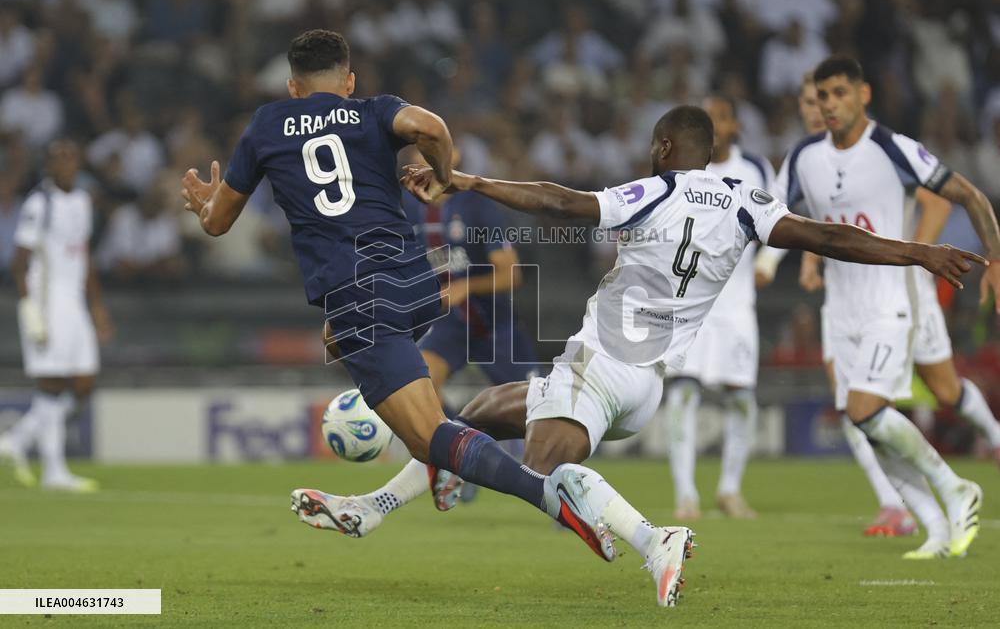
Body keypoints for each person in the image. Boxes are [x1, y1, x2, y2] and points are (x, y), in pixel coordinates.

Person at [296, 104, 982, 607]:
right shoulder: (748, 201)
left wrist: (469, 183)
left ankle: (656, 539)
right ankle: (375, 507)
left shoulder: (653, 191)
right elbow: (831, 239)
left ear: (661, 147)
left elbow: (560, 202)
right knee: (479, 413)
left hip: (602, 364)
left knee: (543, 474)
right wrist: (919, 251)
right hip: (646, 382)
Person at [179, 29, 670, 593]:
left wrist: (204, 204)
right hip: (414, 279)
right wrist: (442, 173)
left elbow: (218, 223)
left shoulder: (267, 124)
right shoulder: (373, 111)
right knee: (356, 351)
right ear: (349, 80)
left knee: (429, 437)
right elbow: (430, 128)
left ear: (293, 87)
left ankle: (553, 496)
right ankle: (413, 473)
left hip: (357, 291)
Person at [772, 56, 1000, 559]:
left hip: (889, 304)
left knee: (866, 409)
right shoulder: (803, 157)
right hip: (843, 309)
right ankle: (938, 529)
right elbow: (771, 219)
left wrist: (996, 259)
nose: (830, 104)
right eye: (822, 95)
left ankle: (956, 485)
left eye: (839, 93)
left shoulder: (892, 149)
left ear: (863, 95)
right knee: (867, 425)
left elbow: (968, 194)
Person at [401, 149, 540, 504]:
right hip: (450, 325)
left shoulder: (477, 206)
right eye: (416, 159)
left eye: (430, 157)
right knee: (419, 386)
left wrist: (466, 287)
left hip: (494, 323)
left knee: (539, 410)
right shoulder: (406, 209)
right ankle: (460, 458)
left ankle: (565, 484)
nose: (423, 168)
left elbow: (511, 274)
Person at [664, 94, 774, 521]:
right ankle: (686, 495)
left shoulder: (754, 170)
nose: (714, 124)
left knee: (742, 399)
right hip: (689, 303)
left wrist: (767, 260)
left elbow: (780, 216)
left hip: (736, 305)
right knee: (683, 394)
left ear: (733, 126)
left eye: (721, 117)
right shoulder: (683, 170)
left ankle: (729, 489)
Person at [0, 140, 111, 491]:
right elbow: (19, 262)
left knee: (83, 382)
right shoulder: (39, 203)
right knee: (52, 383)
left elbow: (84, 256)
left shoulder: (81, 201)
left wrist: (97, 307)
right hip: (47, 301)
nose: (66, 165)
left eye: (70, 158)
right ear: (47, 166)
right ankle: (53, 469)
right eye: (58, 160)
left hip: (75, 301)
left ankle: (17, 439)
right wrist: (30, 310)